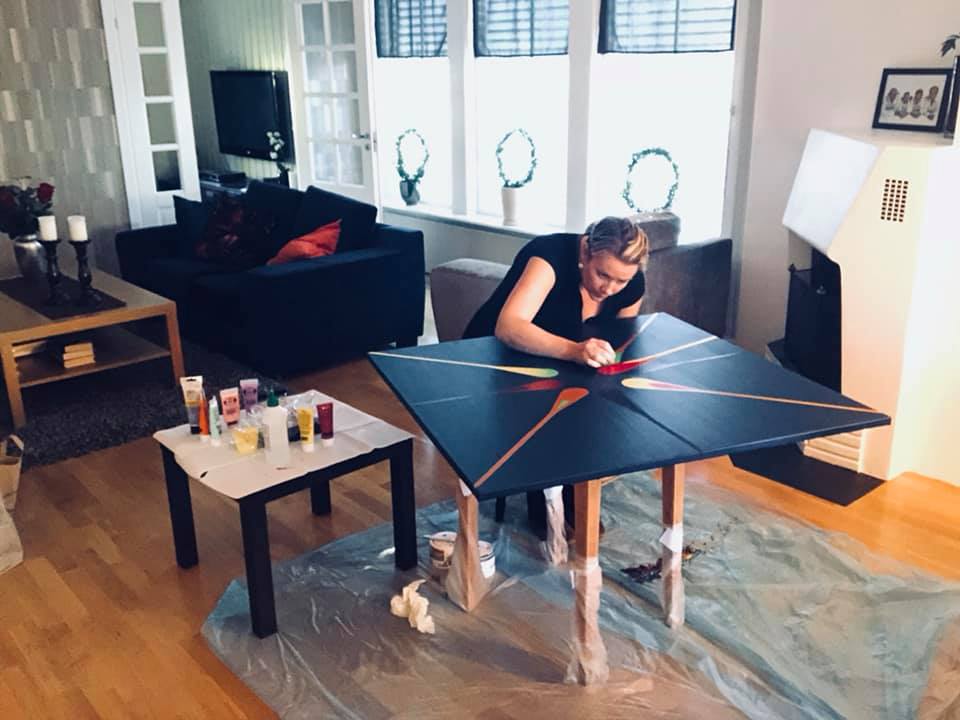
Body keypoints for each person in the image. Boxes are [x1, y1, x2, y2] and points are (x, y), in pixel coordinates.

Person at [464, 217, 649, 536]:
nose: (609, 289)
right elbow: (509, 326)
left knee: (596, 406)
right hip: (493, 357)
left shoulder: (631, 284)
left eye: (620, 280)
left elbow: (618, 341)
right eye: (602, 274)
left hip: (561, 359)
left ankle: (569, 488)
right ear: (585, 251)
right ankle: (546, 501)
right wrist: (575, 351)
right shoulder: (548, 256)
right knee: (542, 408)